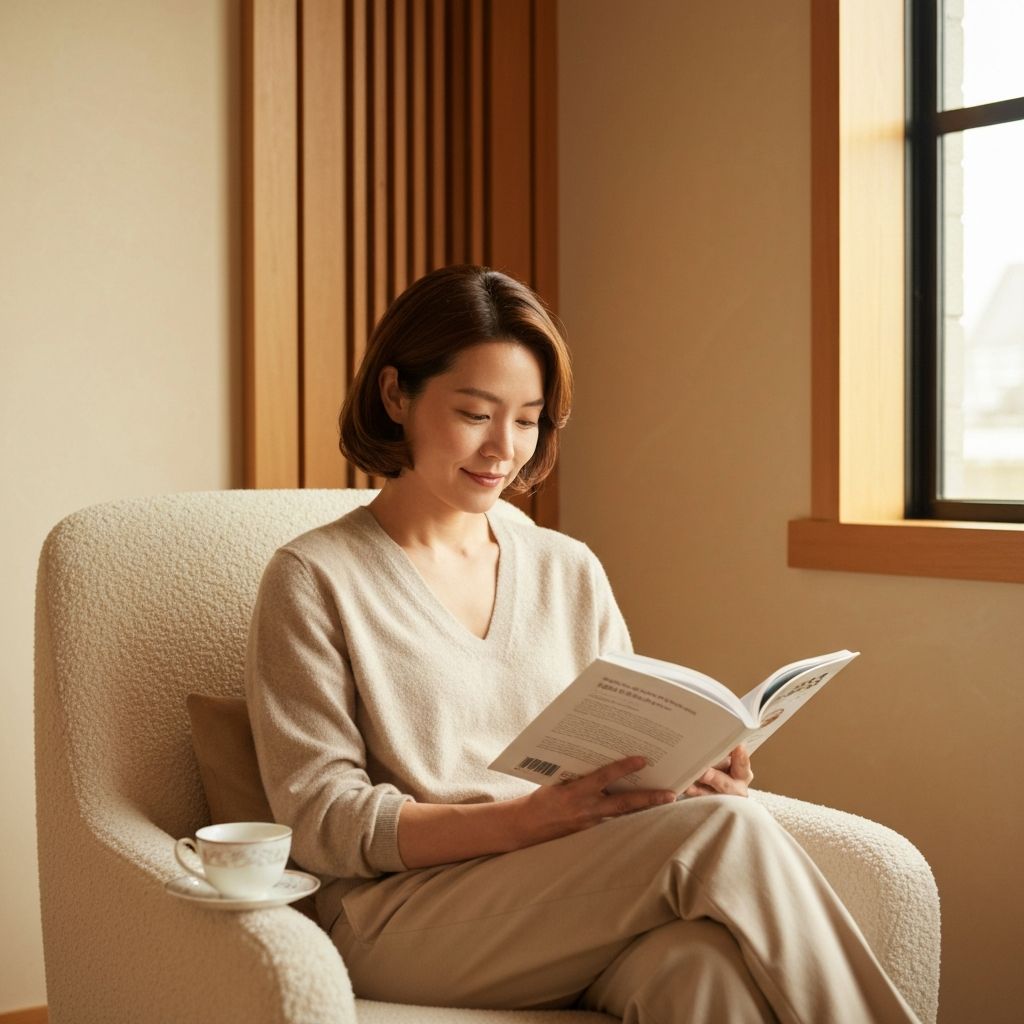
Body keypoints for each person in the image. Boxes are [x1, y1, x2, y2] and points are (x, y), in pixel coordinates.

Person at [245, 265, 921, 1024]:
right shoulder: (312, 578)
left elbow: (616, 757)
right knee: (723, 835)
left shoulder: (567, 568)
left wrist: (682, 772)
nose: (503, 447)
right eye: (475, 413)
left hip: (566, 888)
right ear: (397, 395)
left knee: (701, 971)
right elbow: (321, 821)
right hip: (395, 917)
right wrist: (528, 819)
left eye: (529, 419)